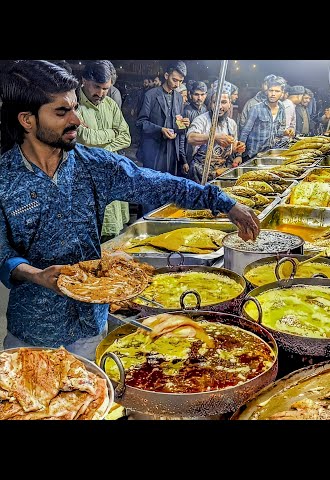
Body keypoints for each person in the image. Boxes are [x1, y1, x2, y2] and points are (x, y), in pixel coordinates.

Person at [0, 60, 259, 360]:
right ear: (27, 120)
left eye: (75, 108)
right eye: (62, 112)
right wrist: (36, 275)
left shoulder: (94, 166)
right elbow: (3, 254)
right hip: (31, 330)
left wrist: (224, 202)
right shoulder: (5, 179)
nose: (77, 120)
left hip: (87, 330)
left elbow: (161, 185)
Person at [76, 60, 132, 242]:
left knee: (113, 235)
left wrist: (102, 148)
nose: (100, 93)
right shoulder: (73, 105)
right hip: (85, 178)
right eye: (97, 87)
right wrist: (111, 132)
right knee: (87, 235)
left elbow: (126, 137)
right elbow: (83, 137)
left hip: (111, 175)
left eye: (106, 88)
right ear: (84, 80)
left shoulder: (110, 105)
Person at [136, 61, 189, 182]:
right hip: (154, 150)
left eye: (181, 81)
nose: (178, 84)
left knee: (169, 185)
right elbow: (140, 123)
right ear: (166, 76)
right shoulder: (150, 95)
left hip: (172, 151)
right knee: (153, 185)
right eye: (175, 80)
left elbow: (178, 125)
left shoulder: (179, 98)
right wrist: (160, 130)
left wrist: (183, 125)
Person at [187, 91, 245, 183]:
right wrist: (214, 137)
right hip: (200, 174)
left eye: (224, 102)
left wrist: (238, 148)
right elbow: (191, 138)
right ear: (210, 104)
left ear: (230, 104)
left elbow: (232, 148)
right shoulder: (201, 120)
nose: (219, 106)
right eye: (215, 102)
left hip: (221, 172)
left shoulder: (231, 124)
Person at [239, 77, 293, 160]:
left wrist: (285, 132)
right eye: (271, 90)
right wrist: (239, 155)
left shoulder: (281, 107)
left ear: (282, 93)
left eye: (277, 91)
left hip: (269, 154)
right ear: (267, 91)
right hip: (252, 155)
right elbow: (245, 132)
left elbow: (278, 132)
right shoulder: (256, 108)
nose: (273, 94)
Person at [182, 81, 208, 175]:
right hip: (188, 154)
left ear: (206, 95)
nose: (199, 98)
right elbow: (181, 138)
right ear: (190, 94)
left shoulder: (205, 109)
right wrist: (183, 160)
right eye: (196, 94)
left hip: (201, 154)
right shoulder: (186, 110)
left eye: (202, 94)